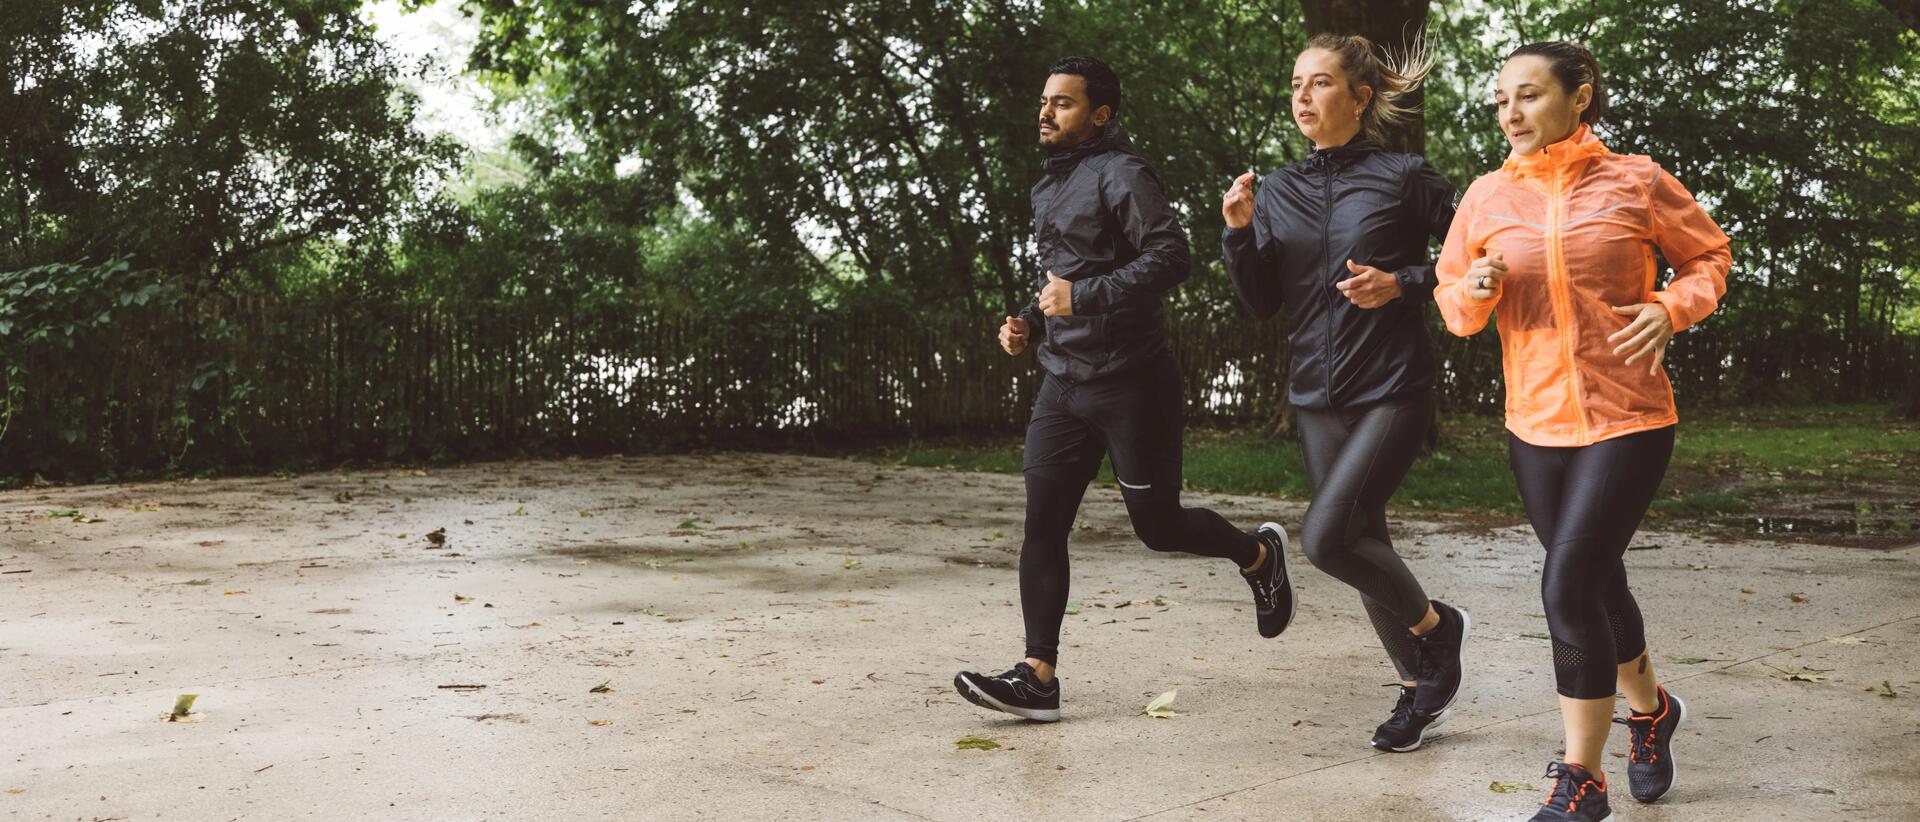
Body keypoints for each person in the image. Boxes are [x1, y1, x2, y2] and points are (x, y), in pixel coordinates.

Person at [1434, 40, 1730, 821]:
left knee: (1566, 584)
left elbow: (1709, 257)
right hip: (1535, 425)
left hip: (1629, 416)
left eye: (1528, 95)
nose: (1511, 112)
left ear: (1580, 96)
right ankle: (1652, 712)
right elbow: (1455, 309)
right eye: (1501, 100)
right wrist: (1472, 288)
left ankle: (1581, 780)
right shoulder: (1487, 195)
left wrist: (1672, 307)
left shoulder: (1636, 181)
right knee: (1599, 582)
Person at [953, 56, 1293, 723]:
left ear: (1100, 116)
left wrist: (1083, 297)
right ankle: (1038, 676)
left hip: (1133, 383)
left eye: (1064, 104)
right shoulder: (1048, 187)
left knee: (1158, 527)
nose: (1046, 112)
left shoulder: (1124, 175)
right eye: (1045, 101)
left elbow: (1171, 256)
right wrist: (1026, 320)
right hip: (1063, 385)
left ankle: (1258, 553)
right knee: (1043, 524)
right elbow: (1063, 277)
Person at [1221, 32, 1469, 754]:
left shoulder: (1404, 176)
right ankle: (1419, 691)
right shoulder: (1280, 190)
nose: (1303, 97)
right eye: (1297, 84)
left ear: (1360, 99)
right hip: (1314, 394)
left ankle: (1437, 630)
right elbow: (1261, 301)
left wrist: (1404, 283)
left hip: (1391, 387)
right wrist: (1239, 233)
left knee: (1328, 538)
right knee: (1364, 540)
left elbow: (1470, 257)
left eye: (1321, 83)